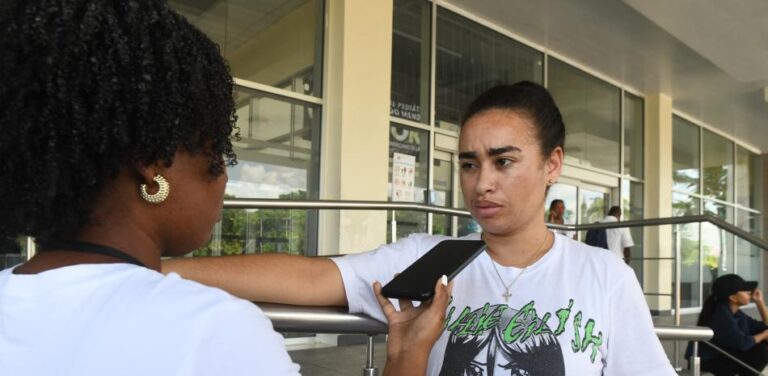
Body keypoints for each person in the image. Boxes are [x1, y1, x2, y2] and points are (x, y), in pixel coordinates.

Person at [0, 1, 446, 375]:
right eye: (215, 155)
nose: (225, 179)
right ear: (153, 164)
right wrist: (407, 358)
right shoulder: (213, 333)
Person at [164, 81, 675, 375]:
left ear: (552, 164)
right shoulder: (430, 260)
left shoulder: (604, 276)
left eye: (503, 161)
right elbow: (313, 277)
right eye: (469, 164)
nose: (482, 183)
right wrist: (152, 266)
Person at [687, 274, 768, 375]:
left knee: (762, 343)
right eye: (744, 290)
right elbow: (742, 343)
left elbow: (764, 327)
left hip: (723, 355)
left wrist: (760, 303)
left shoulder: (735, 312)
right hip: (707, 362)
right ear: (733, 297)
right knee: (761, 351)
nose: (749, 292)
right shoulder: (720, 315)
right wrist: (764, 334)